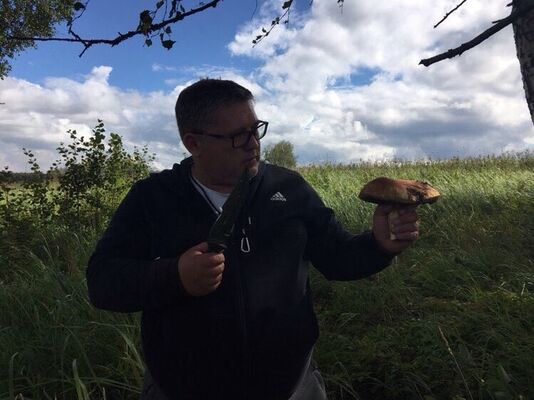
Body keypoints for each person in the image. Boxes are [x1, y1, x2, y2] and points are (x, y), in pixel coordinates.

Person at [86, 79, 420, 400]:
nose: (253, 143)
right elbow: (102, 281)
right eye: (237, 136)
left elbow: (337, 258)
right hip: (181, 389)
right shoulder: (153, 198)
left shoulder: (289, 189)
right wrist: (175, 276)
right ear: (194, 143)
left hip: (293, 388)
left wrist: (378, 245)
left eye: (255, 129)